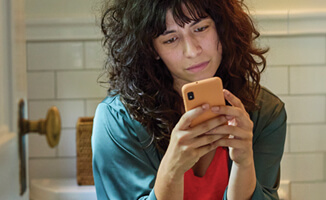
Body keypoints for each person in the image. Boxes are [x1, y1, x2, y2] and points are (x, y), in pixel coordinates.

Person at [91, 0, 287, 199]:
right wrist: (172, 171)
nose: (192, 51)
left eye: (201, 28)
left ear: (222, 28)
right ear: (151, 50)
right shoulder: (116, 120)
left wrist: (244, 165)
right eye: (170, 39)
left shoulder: (265, 112)